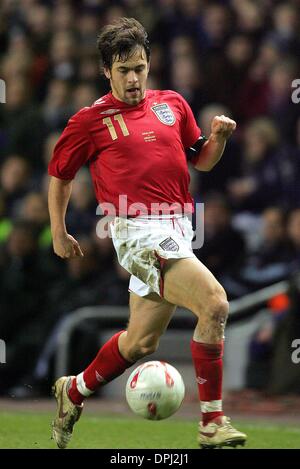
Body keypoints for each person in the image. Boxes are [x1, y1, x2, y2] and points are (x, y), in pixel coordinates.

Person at [48, 17, 247, 449]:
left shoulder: (172, 103)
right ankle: (211, 422)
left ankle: (74, 390)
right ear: (107, 71)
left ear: (149, 64)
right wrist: (59, 231)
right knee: (214, 303)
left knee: (139, 343)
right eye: (123, 71)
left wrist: (219, 139)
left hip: (178, 228)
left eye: (139, 67)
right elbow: (60, 176)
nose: (134, 78)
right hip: (137, 231)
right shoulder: (90, 121)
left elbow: (203, 160)